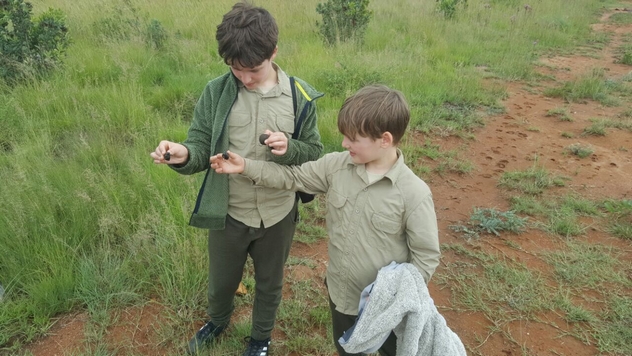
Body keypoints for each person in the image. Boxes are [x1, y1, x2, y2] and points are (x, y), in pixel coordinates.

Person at [210, 84, 441, 356]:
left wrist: (398, 299)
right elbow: (293, 177)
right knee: (346, 350)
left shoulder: (414, 193)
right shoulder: (335, 166)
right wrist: (246, 166)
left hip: (387, 310)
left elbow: (426, 256)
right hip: (342, 297)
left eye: (354, 138)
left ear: (385, 139)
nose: (344, 144)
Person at [150, 2, 324, 355]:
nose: (244, 78)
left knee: (270, 284)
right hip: (229, 212)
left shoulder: (300, 96)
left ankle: (260, 339)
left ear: (273, 53)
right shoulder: (216, 92)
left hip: (278, 213)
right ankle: (217, 321)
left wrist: (290, 147)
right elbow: (199, 145)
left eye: (253, 70)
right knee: (222, 282)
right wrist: (182, 154)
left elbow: (313, 152)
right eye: (235, 69)